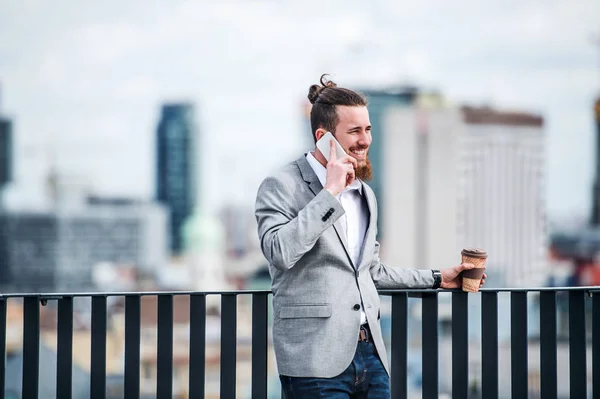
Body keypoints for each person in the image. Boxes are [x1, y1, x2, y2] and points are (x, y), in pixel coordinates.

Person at [254, 74, 486, 398]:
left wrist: (438, 278)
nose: (365, 140)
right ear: (323, 138)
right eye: (355, 131)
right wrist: (329, 193)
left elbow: (369, 271)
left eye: (368, 129)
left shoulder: (364, 194)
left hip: (371, 357)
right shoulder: (282, 185)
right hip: (314, 361)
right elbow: (279, 251)